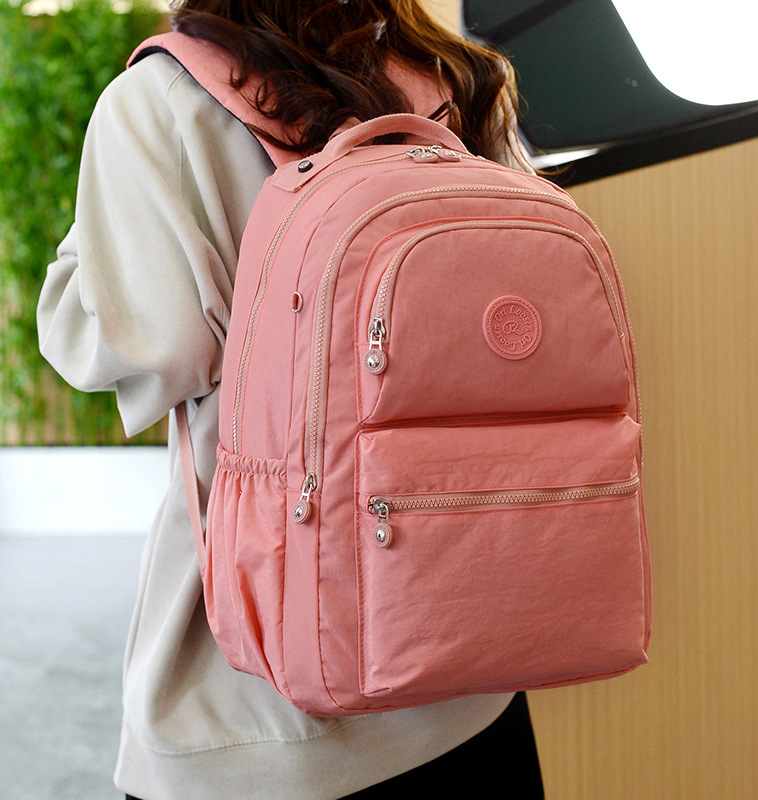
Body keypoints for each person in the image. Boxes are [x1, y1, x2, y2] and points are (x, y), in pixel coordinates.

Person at [37, 1, 545, 797]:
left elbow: (152, 347)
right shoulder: (443, 75)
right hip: (467, 672)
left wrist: (84, 258)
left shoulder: (162, 99)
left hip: (262, 721)